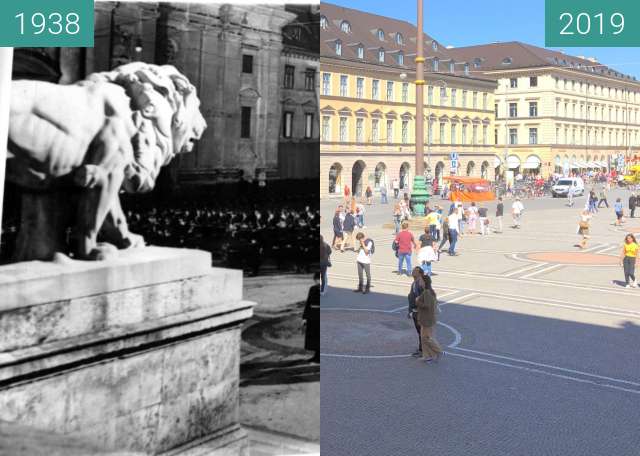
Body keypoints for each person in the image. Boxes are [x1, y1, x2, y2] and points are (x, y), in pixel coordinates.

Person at [415, 272, 443, 363]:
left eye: (421, 281)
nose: (419, 282)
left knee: (426, 338)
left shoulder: (427, 292)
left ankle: (438, 351)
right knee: (424, 338)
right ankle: (427, 356)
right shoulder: (429, 291)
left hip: (427, 319)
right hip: (427, 319)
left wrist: (417, 301)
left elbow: (426, 305)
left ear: (424, 282)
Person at [302, 272, 320, 362]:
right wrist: (305, 317)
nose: (318, 281)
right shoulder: (312, 289)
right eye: (316, 279)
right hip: (312, 315)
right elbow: (308, 303)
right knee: (313, 336)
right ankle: (316, 356)